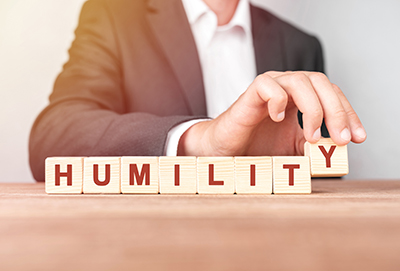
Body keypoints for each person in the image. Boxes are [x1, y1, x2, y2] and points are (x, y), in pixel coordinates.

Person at [29, 0, 366, 181]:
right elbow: (54, 135)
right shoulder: (113, 14)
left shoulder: (299, 46)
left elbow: (322, 174)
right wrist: (198, 139)